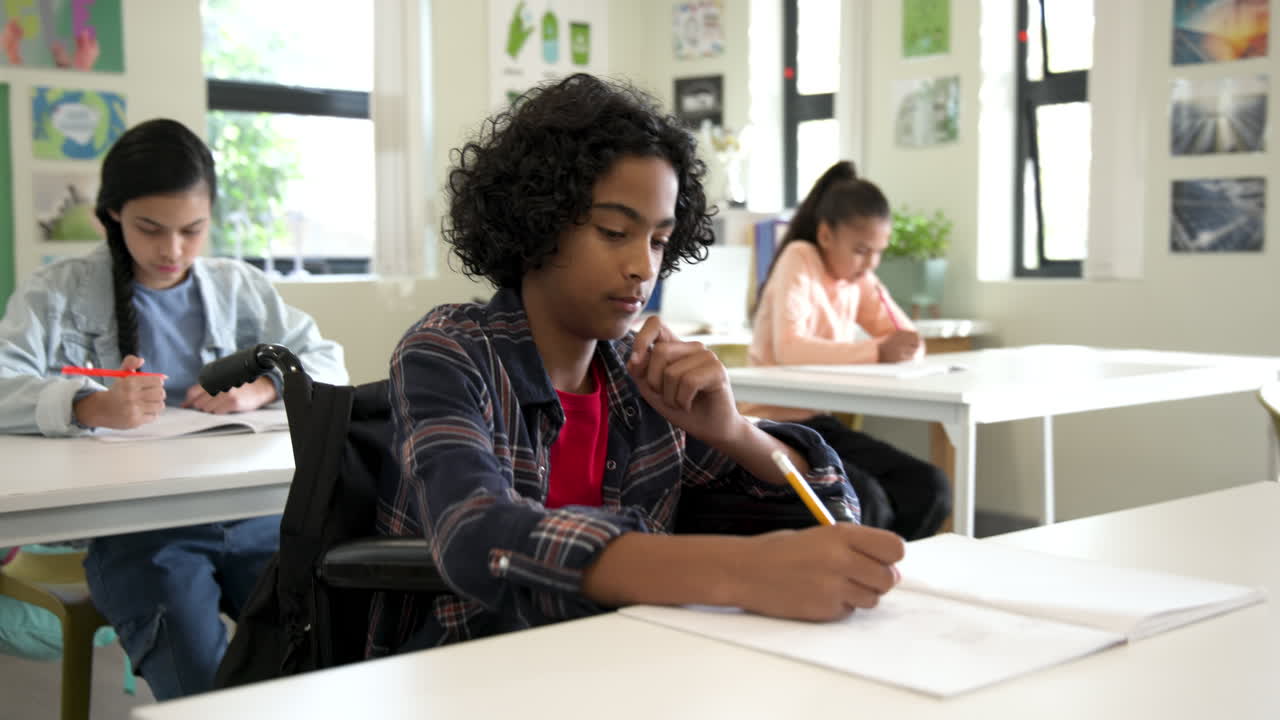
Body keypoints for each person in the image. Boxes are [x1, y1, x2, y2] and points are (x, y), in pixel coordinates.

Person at [367, 74, 904, 657]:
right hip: (469, 670)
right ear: (536, 221)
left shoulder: (640, 375)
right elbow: (476, 535)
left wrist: (734, 432)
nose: (642, 268)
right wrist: (743, 570)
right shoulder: (448, 353)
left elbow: (832, 513)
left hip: (629, 664)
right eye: (615, 232)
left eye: (657, 241)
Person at [0, 118, 347, 699]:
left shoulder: (239, 286)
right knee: (203, 687)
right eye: (150, 229)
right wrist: (88, 406)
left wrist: (262, 388)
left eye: (193, 229)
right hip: (137, 528)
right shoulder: (55, 293)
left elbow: (325, 359)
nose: (173, 250)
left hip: (249, 514)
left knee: (327, 647)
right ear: (111, 215)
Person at [744, 160, 951, 541]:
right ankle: (861, 572)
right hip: (774, 427)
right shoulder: (800, 259)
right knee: (867, 500)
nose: (870, 262)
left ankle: (891, 573)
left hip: (819, 424)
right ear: (825, 235)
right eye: (860, 250)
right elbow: (789, 349)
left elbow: (904, 340)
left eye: (878, 252)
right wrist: (878, 350)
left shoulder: (857, 278)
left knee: (929, 487)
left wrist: (902, 342)